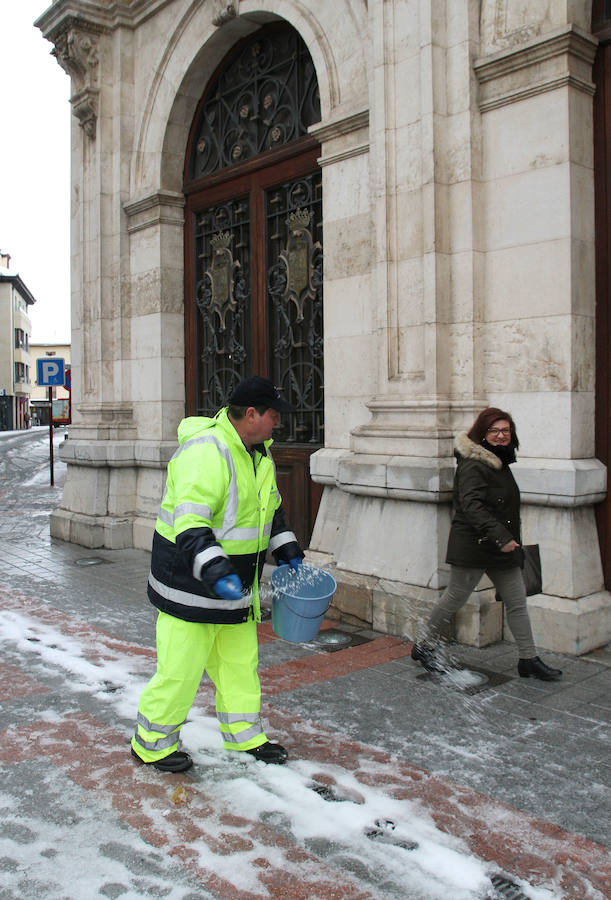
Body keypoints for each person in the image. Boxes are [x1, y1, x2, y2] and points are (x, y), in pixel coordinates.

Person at [131, 376, 304, 773]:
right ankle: (151, 744)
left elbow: (268, 509)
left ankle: (245, 736)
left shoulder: (259, 453)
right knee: (180, 671)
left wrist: (286, 547)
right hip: (189, 588)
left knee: (239, 665)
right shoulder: (207, 452)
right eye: (274, 415)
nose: (278, 423)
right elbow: (189, 521)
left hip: (236, 588)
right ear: (250, 414)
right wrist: (215, 568)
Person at [411, 407, 562, 681]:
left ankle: (528, 659)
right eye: (495, 430)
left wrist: (506, 540)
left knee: (517, 603)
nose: (501, 435)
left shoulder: (500, 461)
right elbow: (471, 505)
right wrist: (502, 538)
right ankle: (423, 644)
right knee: (455, 597)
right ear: (483, 433)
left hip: (502, 546)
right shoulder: (474, 463)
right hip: (475, 545)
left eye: (506, 430)